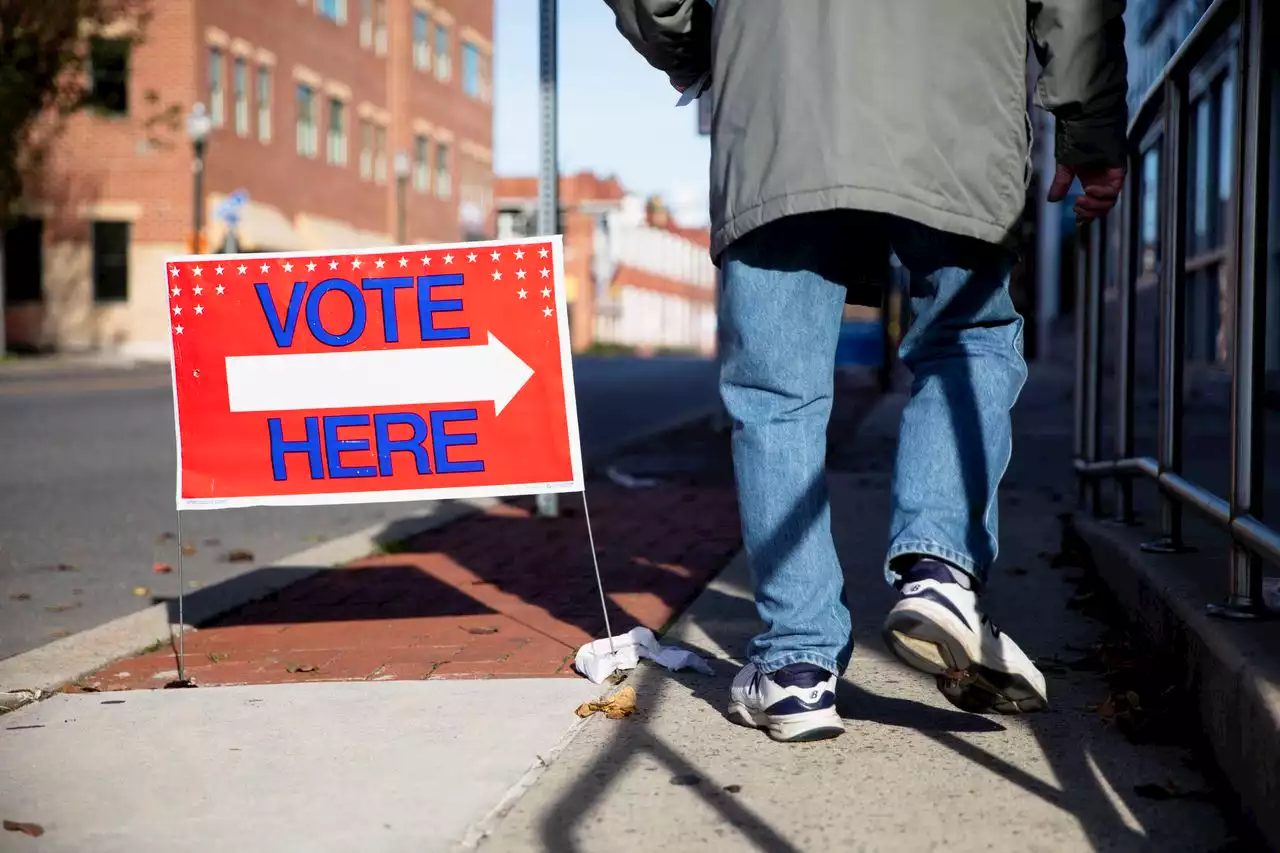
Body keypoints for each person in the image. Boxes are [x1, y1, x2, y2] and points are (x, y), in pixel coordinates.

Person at [603, 0, 1128, 741]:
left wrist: (702, 47)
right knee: (965, 340)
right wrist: (1092, 124)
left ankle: (796, 667)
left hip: (780, 104)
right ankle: (940, 572)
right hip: (959, 107)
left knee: (776, 394)